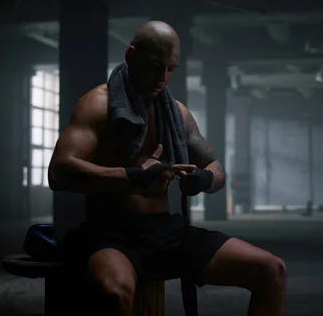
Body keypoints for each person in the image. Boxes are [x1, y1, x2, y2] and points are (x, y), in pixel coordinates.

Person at [48, 20, 286, 316]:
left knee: (271, 270)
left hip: (166, 231)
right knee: (115, 294)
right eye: (154, 66)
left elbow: (215, 168)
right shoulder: (98, 105)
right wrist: (133, 176)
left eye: (171, 68)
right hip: (112, 233)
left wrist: (202, 179)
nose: (163, 77)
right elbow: (59, 172)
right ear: (131, 55)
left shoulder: (177, 112)